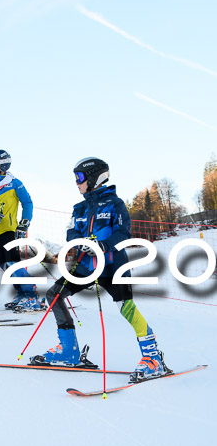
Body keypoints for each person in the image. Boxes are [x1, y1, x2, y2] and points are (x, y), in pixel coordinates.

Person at [31, 157, 171, 382]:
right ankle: (69, 351)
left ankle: (153, 358)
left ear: (94, 177)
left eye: (79, 177)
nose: (76, 182)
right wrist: (79, 242)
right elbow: (71, 231)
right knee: (54, 295)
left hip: (113, 265)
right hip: (87, 266)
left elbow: (124, 232)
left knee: (126, 308)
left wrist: (103, 245)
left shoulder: (115, 204)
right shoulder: (79, 207)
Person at [0, 149, 42, 312]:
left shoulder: (14, 183)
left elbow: (27, 203)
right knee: (3, 264)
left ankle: (31, 294)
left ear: (3, 164)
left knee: (13, 263)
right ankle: (21, 293)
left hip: (9, 230)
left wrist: (25, 222)